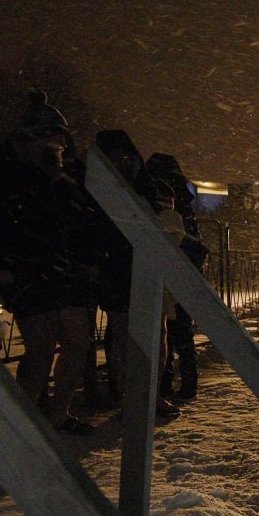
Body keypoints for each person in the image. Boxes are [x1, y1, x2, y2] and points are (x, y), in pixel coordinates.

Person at [0, 90, 99, 435]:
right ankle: (23, 420)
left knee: (77, 340)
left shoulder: (59, 168)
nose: (60, 146)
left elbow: (77, 215)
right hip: (23, 264)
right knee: (40, 347)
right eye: (54, 139)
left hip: (60, 263)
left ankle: (59, 412)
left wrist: (86, 256)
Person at [93, 130, 182, 419]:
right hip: (117, 271)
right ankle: (126, 397)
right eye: (115, 158)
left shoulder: (147, 190)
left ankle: (151, 395)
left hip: (147, 269)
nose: (122, 163)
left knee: (157, 337)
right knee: (122, 336)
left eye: (125, 157)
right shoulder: (98, 190)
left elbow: (167, 225)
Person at [147, 152, 207, 402]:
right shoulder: (183, 202)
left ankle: (165, 385)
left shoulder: (157, 199)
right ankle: (185, 383)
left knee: (167, 334)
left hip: (169, 273)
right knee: (180, 332)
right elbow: (195, 244)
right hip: (184, 274)